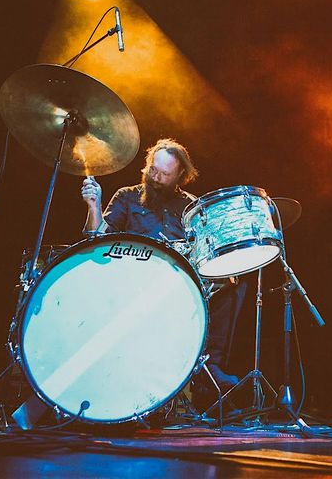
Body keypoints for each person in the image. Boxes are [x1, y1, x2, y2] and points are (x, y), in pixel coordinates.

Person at [82, 138, 247, 395]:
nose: (156, 178)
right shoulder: (127, 196)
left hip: (181, 283)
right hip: (134, 281)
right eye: (153, 170)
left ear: (180, 176)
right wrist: (94, 206)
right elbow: (96, 241)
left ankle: (209, 366)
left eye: (165, 174)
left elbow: (204, 251)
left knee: (233, 283)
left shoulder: (191, 206)